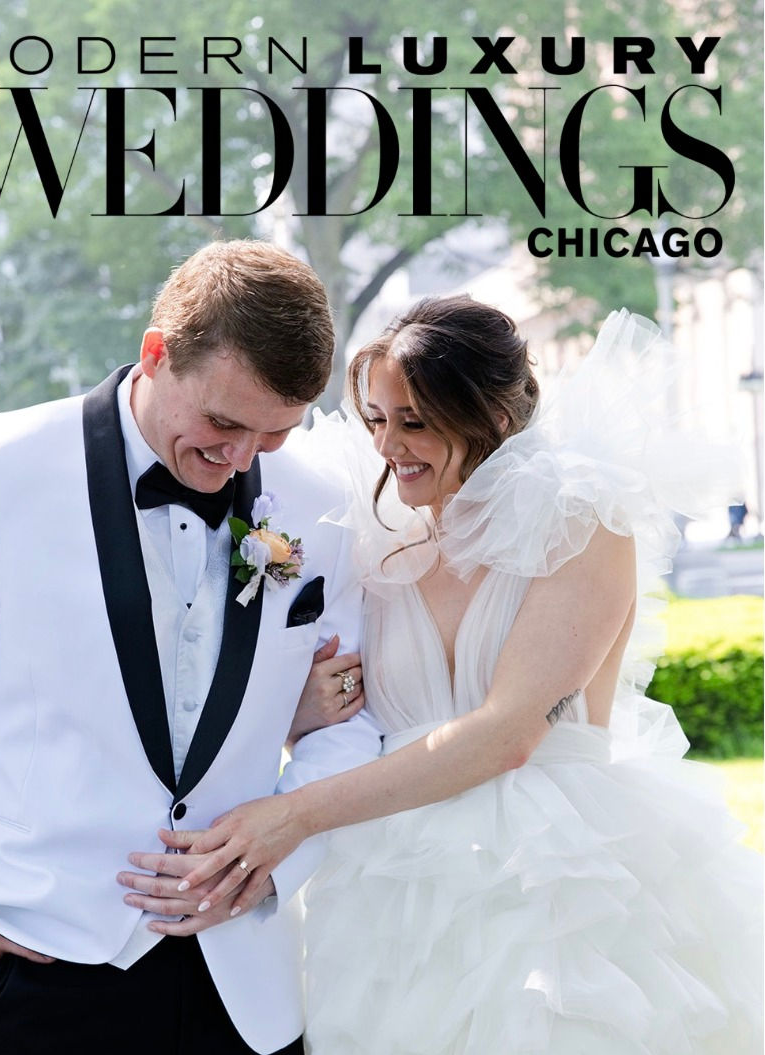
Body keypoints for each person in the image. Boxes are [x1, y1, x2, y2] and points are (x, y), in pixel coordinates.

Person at [122, 298, 763, 1054]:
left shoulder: (582, 522)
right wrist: (303, 713)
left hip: (559, 876)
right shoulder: (372, 537)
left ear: (491, 416)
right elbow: (331, 701)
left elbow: (508, 735)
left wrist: (293, 815)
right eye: (376, 419)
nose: (387, 446)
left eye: (414, 422)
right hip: (394, 886)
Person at [0, 240, 382, 1055]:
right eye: (223, 422)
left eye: (274, 434)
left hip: (247, 994)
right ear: (157, 354)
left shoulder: (322, 503)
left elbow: (352, 717)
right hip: (36, 973)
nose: (241, 459)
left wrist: (278, 848)